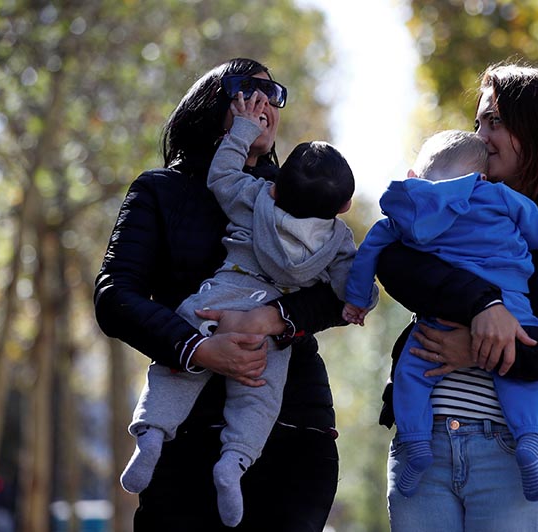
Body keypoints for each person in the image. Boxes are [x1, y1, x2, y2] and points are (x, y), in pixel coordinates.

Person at [374, 63, 538, 531]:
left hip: (524, 460)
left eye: (495, 122)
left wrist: (490, 351)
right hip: (424, 452)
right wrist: (483, 304)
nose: (481, 135)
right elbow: (393, 262)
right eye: (478, 122)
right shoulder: (445, 202)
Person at [94, 58, 348, 531]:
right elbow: (114, 295)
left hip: (293, 426)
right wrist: (199, 349)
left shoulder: (295, 193)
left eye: (273, 95)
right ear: (212, 102)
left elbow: (342, 291)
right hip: (187, 430)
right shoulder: (159, 190)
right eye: (248, 90)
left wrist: (275, 318)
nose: (264, 104)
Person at [343, 129, 538, 501]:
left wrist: (357, 298)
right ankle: (530, 443)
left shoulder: (407, 209)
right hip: (511, 307)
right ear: (480, 176)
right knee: (520, 372)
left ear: (417, 175)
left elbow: (371, 249)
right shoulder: (497, 194)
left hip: (441, 313)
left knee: (411, 371)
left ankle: (416, 443)